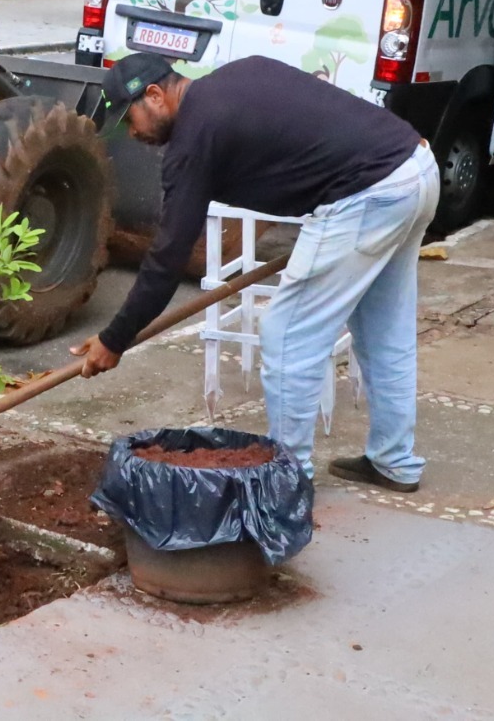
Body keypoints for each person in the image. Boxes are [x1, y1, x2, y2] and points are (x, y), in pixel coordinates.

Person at [69, 53, 439, 492]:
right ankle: (394, 461)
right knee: (384, 332)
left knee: (286, 333)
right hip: (415, 168)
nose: (133, 134)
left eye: (131, 121)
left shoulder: (195, 136)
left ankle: (286, 484)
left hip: (368, 193)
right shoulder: (237, 77)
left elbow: (167, 258)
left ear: (155, 96)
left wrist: (115, 339)